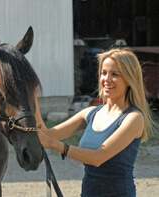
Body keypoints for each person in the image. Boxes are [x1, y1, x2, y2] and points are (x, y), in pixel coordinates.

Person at [37, 48, 153, 197]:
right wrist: (32, 101)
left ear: (129, 80)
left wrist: (57, 146)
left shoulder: (133, 118)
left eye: (115, 74)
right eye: (104, 73)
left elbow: (97, 158)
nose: (107, 79)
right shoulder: (91, 112)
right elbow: (48, 135)